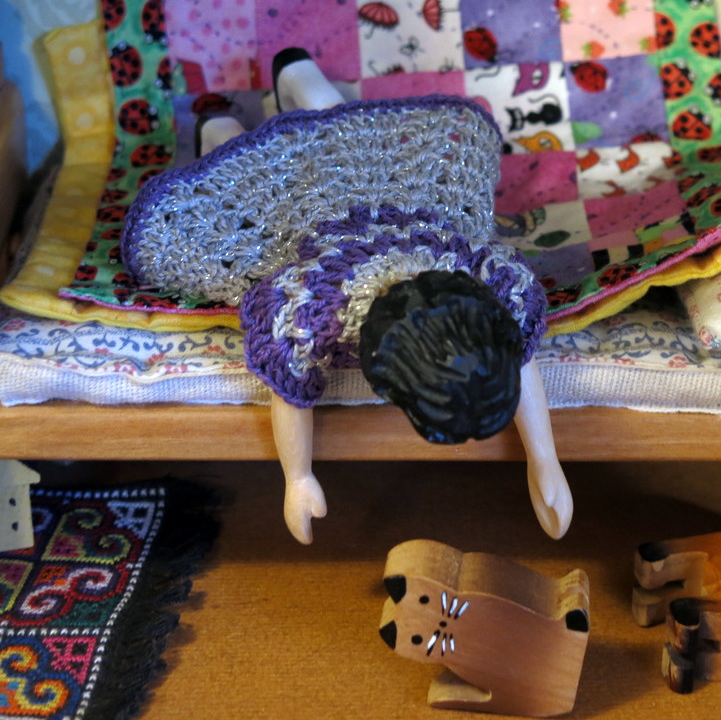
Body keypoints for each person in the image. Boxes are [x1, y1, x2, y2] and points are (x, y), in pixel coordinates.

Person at [121, 49, 573, 544]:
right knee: (255, 184)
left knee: (352, 150)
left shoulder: (492, 280)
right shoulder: (313, 302)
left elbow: (514, 350)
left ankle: (289, 85)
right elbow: (290, 387)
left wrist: (544, 458)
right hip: (304, 221)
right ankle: (223, 126)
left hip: (395, 195)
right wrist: (297, 476)